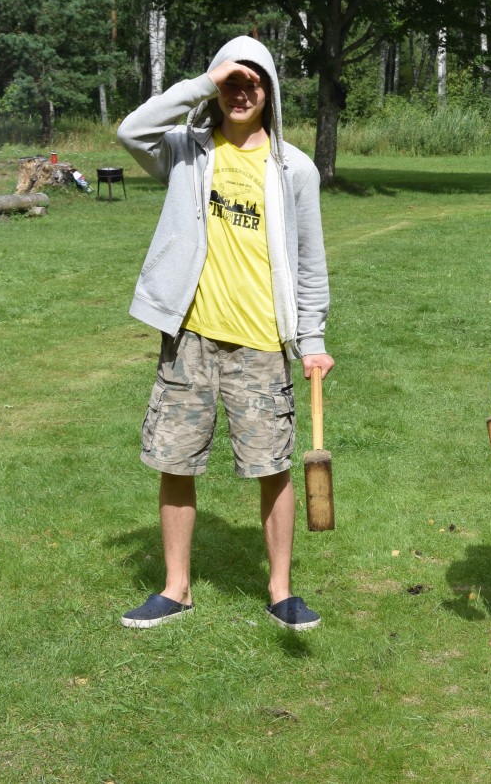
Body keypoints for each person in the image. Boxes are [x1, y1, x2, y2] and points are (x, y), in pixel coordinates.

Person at [117, 37, 334, 631]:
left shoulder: (294, 168)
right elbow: (131, 131)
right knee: (176, 462)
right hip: (189, 337)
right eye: (231, 82)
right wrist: (204, 82)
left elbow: (310, 262)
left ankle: (281, 591)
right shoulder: (186, 151)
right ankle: (177, 588)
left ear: (271, 92)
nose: (241, 93)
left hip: (261, 343)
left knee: (272, 467)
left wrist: (312, 339)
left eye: (253, 82)